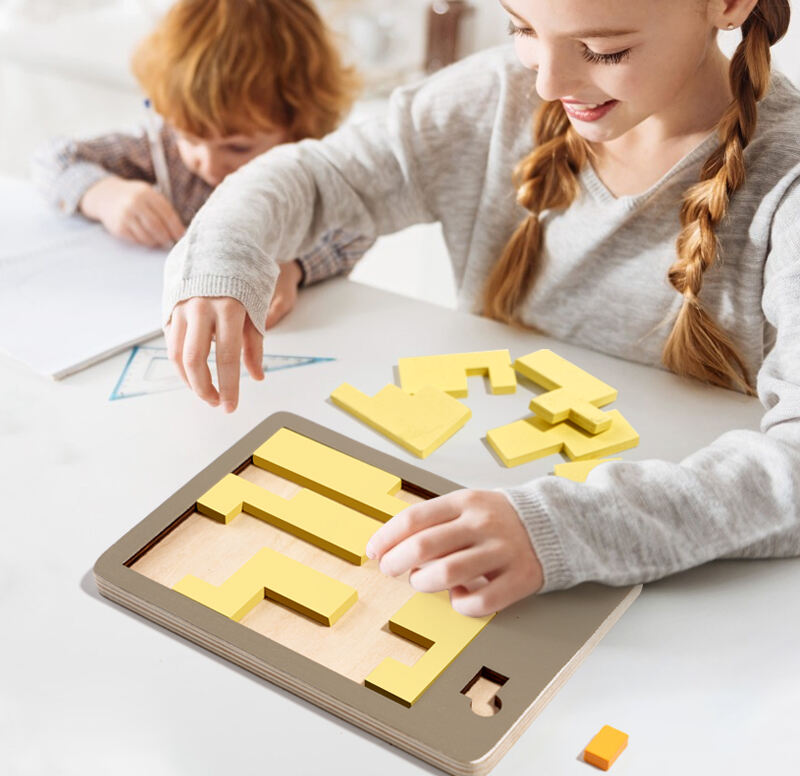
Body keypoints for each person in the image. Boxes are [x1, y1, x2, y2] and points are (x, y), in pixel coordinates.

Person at [160, 0, 800, 614]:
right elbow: (319, 174)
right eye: (520, 28)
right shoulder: (497, 94)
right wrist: (224, 254)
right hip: (474, 491)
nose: (549, 82)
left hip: (683, 585)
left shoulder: (787, 178)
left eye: (604, 50)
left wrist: (566, 528)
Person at [32, 0, 371, 329]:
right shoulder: (163, 148)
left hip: (301, 328)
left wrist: (295, 266)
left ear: (298, 124)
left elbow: (362, 219)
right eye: (190, 138)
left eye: (237, 146)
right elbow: (54, 159)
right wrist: (103, 194)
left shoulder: (314, 160)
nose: (208, 163)